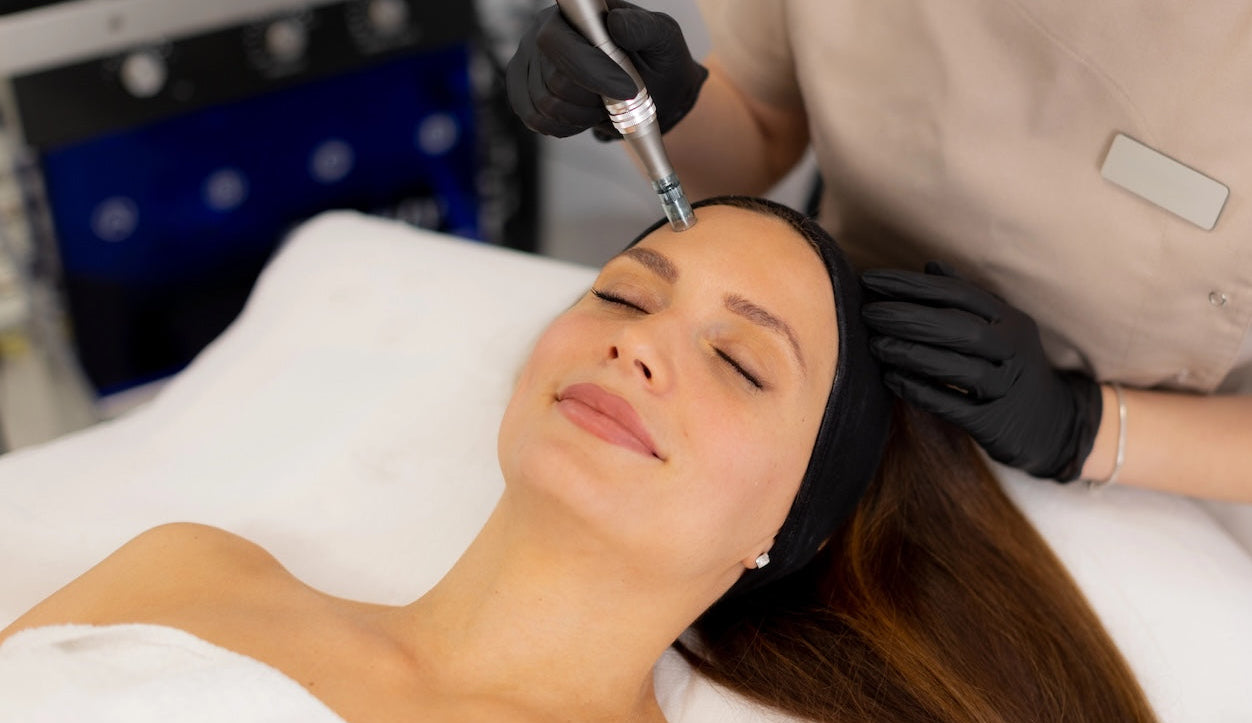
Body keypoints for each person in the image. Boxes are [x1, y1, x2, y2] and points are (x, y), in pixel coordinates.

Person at [0, 197, 1155, 721]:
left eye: (739, 362)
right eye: (621, 295)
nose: (637, 344)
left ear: (782, 527)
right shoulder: (188, 568)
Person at [507, 0, 1252, 502]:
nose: (634, 348)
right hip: (834, 416)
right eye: (626, 299)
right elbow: (761, 127)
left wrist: (1079, 428)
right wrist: (664, 104)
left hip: (1141, 476)